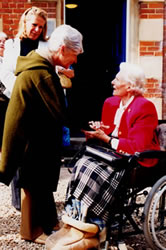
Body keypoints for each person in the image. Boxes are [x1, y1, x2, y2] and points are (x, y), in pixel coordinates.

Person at [45, 62, 160, 249]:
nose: (113, 82)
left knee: (95, 170)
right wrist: (100, 131)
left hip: (137, 162)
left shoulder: (143, 107)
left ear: (130, 87)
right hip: (116, 155)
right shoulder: (113, 103)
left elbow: (138, 146)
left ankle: (95, 223)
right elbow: (114, 132)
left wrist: (106, 138)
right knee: (83, 163)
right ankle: (78, 217)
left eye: (118, 80)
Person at [0, 24, 83, 244]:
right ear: (63, 49)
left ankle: (45, 225)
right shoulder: (41, 74)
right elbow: (60, 114)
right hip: (35, 145)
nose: (73, 62)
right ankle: (33, 232)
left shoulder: (40, 67)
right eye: (73, 56)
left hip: (34, 143)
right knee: (36, 184)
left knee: (39, 185)